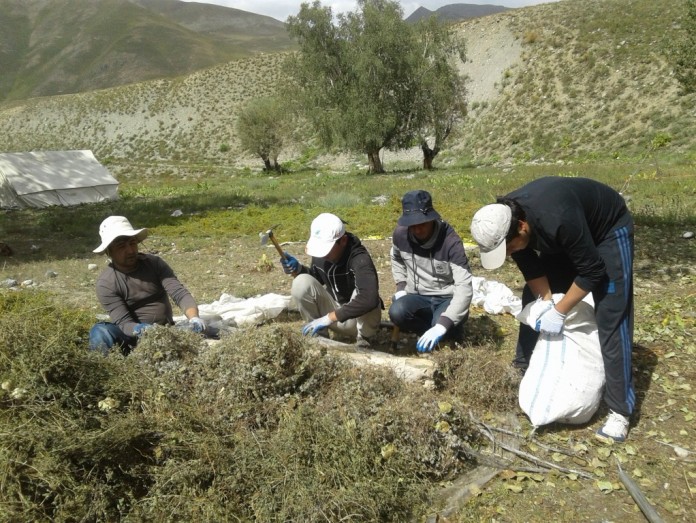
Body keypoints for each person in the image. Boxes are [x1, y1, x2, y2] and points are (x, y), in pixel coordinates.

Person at [470, 176, 635, 442]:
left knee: (611, 313)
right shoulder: (506, 221)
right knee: (531, 298)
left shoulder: (556, 218)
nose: (509, 254)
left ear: (522, 228)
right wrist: (546, 304)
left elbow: (593, 270)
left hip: (607, 230)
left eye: (510, 248)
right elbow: (532, 270)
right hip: (562, 234)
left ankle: (620, 410)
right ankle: (522, 367)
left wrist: (560, 312)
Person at [89, 215, 208, 354]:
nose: (130, 250)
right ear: (109, 251)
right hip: (131, 337)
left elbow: (179, 293)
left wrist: (194, 318)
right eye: (121, 246)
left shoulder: (154, 264)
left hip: (166, 332)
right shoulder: (106, 283)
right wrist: (141, 329)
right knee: (100, 332)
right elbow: (124, 323)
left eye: (132, 243)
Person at [280, 213, 382, 347]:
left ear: (343, 240)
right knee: (300, 281)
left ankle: (364, 339)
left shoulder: (360, 259)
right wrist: (298, 269)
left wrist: (329, 318)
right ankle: (317, 336)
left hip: (357, 321)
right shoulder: (323, 255)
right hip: (333, 314)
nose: (324, 255)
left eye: (327, 249)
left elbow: (368, 299)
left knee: (365, 293)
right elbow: (315, 280)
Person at [389, 190, 473, 353]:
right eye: (413, 225)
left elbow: (464, 287)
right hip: (417, 295)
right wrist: (401, 286)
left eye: (422, 224)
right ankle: (430, 331)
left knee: (441, 324)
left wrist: (442, 325)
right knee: (397, 312)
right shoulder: (400, 235)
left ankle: (447, 330)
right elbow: (396, 258)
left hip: (447, 297)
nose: (418, 230)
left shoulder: (450, 242)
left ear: (432, 219)